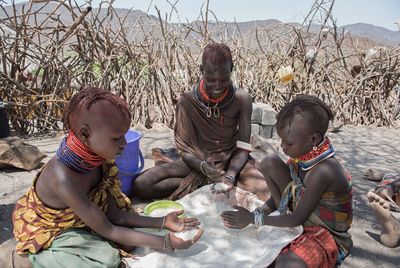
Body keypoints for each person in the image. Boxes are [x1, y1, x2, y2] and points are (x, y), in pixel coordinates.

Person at [10, 88, 203, 268]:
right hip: (49, 229)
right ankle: (27, 260)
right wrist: (166, 242)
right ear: (86, 134)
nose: (124, 143)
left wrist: (162, 222)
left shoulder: (97, 159)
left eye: (124, 135)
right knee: (107, 258)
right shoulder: (63, 178)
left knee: (125, 242)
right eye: (116, 138)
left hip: (87, 217)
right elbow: (108, 229)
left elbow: (115, 215)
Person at [221, 95, 353, 268]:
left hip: (326, 234)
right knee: (270, 162)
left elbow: (296, 219)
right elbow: (287, 196)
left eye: (288, 143)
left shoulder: (324, 171)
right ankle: (280, 223)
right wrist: (258, 213)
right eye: (281, 140)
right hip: (298, 216)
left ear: (313, 139)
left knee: (287, 263)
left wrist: (253, 219)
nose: (282, 146)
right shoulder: (302, 158)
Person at [133, 43, 269, 201]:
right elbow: (184, 150)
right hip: (197, 160)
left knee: (265, 191)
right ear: (201, 70)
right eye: (211, 80)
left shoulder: (242, 99)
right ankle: (205, 182)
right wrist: (203, 167)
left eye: (223, 80)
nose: (217, 86)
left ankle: (210, 183)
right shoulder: (186, 102)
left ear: (231, 69)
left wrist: (231, 174)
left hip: (232, 160)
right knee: (142, 184)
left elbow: (244, 147)